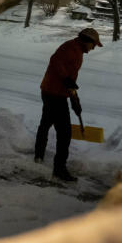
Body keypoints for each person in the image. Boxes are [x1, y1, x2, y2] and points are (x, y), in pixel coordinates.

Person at [34, 27, 102, 181]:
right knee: (64, 133)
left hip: (51, 91)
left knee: (46, 123)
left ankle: (38, 156)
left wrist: (75, 100)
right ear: (88, 41)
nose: (93, 49)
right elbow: (55, 61)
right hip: (54, 93)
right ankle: (59, 169)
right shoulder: (71, 48)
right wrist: (66, 80)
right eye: (93, 45)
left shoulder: (76, 49)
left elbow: (71, 80)